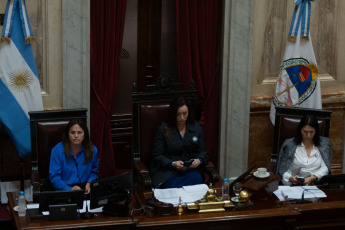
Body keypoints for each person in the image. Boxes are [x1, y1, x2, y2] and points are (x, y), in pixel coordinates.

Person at [150, 97, 209, 188]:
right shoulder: (163, 129)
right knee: (173, 185)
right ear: (173, 114)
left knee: (196, 178)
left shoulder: (196, 127)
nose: (182, 118)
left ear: (189, 112)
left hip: (190, 170)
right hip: (168, 172)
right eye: (178, 114)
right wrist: (172, 163)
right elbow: (157, 155)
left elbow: (203, 152)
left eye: (185, 114)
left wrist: (199, 160)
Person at [276, 114, 332, 185]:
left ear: (316, 131)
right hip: (293, 185)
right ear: (300, 130)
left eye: (311, 132)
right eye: (305, 132)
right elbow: (282, 170)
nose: (308, 135)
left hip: (316, 183)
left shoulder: (324, 144)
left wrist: (312, 178)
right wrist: (291, 178)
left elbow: (325, 168)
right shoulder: (289, 145)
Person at [49, 119, 99, 194]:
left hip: (85, 189)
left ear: (84, 134)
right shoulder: (57, 151)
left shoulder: (92, 150)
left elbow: (94, 172)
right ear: (68, 134)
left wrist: (89, 182)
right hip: (64, 189)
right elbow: (54, 177)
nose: (76, 136)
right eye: (72, 133)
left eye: (79, 133)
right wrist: (69, 189)